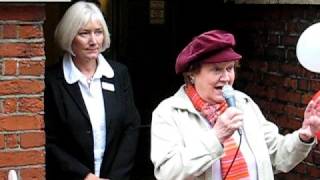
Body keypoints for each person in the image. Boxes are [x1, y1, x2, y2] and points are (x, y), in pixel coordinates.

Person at [150, 30, 320, 180]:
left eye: (230, 68)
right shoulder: (169, 112)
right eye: (216, 69)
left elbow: (276, 155)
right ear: (192, 74)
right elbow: (167, 173)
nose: (226, 78)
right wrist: (216, 136)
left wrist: (303, 136)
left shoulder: (243, 103)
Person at [44, 1, 140, 180]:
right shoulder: (52, 81)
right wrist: (85, 176)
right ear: (69, 36)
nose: (93, 41)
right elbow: (50, 140)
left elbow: (131, 127)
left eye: (98, 32)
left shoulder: (118, 74)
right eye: (84, 33)